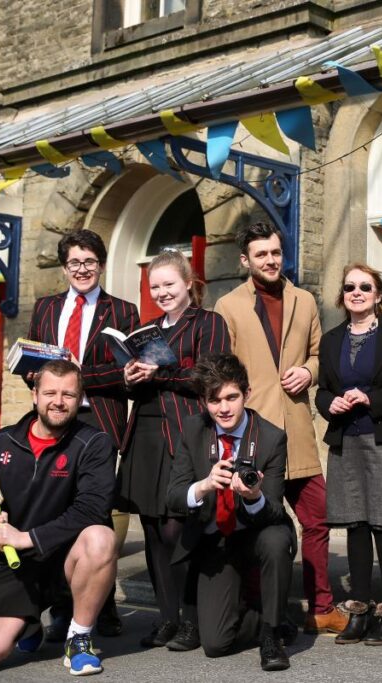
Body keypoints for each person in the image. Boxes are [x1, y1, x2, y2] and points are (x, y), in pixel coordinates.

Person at [214, 222, 348, 635]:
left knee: (317, 518)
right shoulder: (228, 305)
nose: (271, 260)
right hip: (254, 433)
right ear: (246, 260)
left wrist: (308, 372)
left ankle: (320, 608)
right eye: (261, 255)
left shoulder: (304, 300)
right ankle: (261, 611)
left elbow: (319, 354)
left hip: (297, 428)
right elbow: (222, 370)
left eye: (275, 252)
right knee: (259, 524)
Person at [0, 360, 117, 676]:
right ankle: (29, 625)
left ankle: (79, 640)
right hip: (16, 565)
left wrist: (27, 538)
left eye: (68, 394)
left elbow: (92, 509)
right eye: (50, 393)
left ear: (80, 399)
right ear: (35, 395)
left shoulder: (94, 443)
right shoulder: (2, 442)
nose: (58, 401)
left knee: (101, 538)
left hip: (66, 562)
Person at [116, 250, 231, 651]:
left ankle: (191, 619)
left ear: (188, 283)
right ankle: (167, 619)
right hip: (144, 433)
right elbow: (138, 386)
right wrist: (130, 376)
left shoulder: (208, 322)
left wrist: (160, 372)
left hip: (183, 433)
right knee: (151, 529)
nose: (162, 292)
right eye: (155, 287)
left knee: (176, 529)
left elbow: (211, 375)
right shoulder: (146, 330)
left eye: (169, 284)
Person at [27, 228, 138, 640]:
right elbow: (33, 364)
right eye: (74, 262)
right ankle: (62, 609)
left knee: (96, 511)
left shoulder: (123, 311)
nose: (82, 269)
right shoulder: (45, 307)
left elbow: (127, 372)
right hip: (53, 419)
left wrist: (75, 377)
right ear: (64, 267)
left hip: (98, 421)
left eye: (89, 261)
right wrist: (36, 378)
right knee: (55, 509)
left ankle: (102, 608)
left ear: (101, 265)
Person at [165, 354, 296, 671]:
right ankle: (262, 615)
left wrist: (253, 496)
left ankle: (272, 634)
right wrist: (205, 485)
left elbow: (275, 508)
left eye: (231, 397)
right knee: (215, 645)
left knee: (277, 540)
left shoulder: (271, 437)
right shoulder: (194, 430)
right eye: (214, 400)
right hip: (218, 538)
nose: (223, 408)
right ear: (203, 401)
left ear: (246, 394)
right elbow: (173, 496)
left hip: (259, 531)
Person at [316, 264, 382, 646]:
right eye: (350, 287)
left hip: (381, 437)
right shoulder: (331, 339)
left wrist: (370, 398)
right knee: (355, 524)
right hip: (345, 439)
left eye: (365, 287)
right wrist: (331, 403)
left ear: (378, 294)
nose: (357, 292)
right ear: (342, 295)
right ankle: (359, 609)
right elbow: (322, 390)